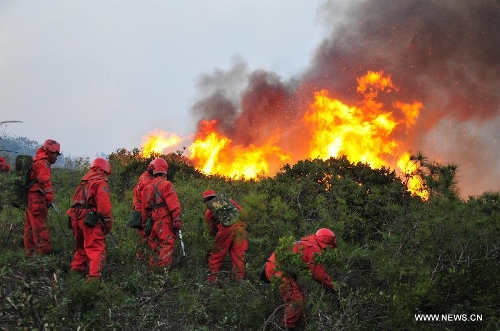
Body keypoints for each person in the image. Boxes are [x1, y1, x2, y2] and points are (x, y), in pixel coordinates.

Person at [264, 228, 338, 329]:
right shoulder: (313, 247)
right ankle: (285, 327)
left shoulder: (308, 242)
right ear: (326, 243)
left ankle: (299, 326)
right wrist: (333, 287)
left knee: (301, 297)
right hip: (276, 270)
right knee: (296, 300)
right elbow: (319, 274)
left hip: (274, 268)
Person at [66, 157, 114, 281]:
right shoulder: (100, 182)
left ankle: (75, 274)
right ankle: (93, 279)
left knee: (81, 248)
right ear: (103, 170)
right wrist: (107, 224)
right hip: (89, 219)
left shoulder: (84, 182)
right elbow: (104, 207)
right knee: (96, 249)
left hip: (75, 217)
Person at [141, 158, 182, 271]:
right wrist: (177, 219)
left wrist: (145, 224)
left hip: (154, 221)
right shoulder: (166, 185)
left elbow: (144, 210)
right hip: (165, 220)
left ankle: (152, 270)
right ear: (165, 171)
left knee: (154, 245)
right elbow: (173, 204)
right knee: (167, 243)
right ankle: (162, 271)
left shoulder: (146, 188)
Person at [23, 139, 61, 256]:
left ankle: (30, 253)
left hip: (30, 198)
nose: (56, 157)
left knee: (29, 226)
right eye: (56, 154)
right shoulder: (43, 162)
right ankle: (45, 253)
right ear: (50, 152)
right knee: (40, 225)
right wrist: (50, 197)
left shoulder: (36, 160)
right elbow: (45, 181)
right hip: (37, 199)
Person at [202, 189, 248, 283]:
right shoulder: (229, 201)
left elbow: (211, 230)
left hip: (226, 229)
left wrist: (213, 242)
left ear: (205, 202)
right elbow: (243, 213)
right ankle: (239, 280)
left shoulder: (209, 212)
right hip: (240, 227)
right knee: (238, 255)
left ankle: (212, 280)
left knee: (215, 255)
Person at [131, 160, 154, 260]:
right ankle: (150, 264)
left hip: (137, 213)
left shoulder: (141, 179)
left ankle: (140, 260)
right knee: (149, 239)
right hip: (143, 214)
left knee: (143, 239)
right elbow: (147, 203)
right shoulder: (148, 182)